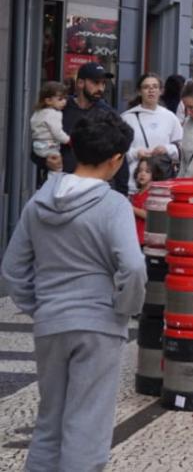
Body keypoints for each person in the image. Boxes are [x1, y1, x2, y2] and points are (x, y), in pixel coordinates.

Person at [1, 110, 146, 472]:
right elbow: (133, 266)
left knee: (49, 423)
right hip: (99, 323)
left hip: (51, 322)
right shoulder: (114, 205)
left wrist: (42, 307)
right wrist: (122, 309)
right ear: (115, 160)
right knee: (87, 424)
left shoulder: (39, 202)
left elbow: (13, 268)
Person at [122, 73, 183, 190]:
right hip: (134, 184)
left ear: (161, 91)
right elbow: (117, 153)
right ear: (139, 92)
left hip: (162, 183)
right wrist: (136, 153)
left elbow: (181, 148)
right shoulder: (127, 117)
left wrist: (167, 148)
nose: (151, 90)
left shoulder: (170, 117)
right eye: (146, 87)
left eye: (155, 87)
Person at [57, 63, 117, 175]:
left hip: (94, 185)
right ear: (80, 83)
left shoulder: (108, 114)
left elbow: (118, 153)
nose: (100, 88)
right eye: (96, 82)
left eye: (103, 83)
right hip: (61, 183)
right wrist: (45, 161)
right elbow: (41, 141)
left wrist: (120, 190)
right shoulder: (62, 108)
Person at [129, 157, 172, 245]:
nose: (142, 174)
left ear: (154, 175)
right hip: (134, 237)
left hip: (145, 238)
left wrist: (131, 208)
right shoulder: (136, 194)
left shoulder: (152, 195)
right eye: (140, 171)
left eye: (147, 172)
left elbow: (150, 215)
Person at [30, 82, 70, 176]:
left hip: (37, 146)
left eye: (65, 98)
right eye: (60, 99)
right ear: (48, 101)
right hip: (49, 146)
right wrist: (68, 140)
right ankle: (53, 183)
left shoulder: (38, 112)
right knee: (57, 166)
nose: (64, 102)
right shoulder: (53, 114)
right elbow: (57, 132)